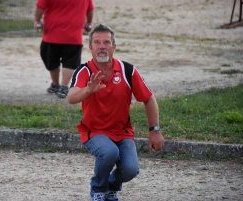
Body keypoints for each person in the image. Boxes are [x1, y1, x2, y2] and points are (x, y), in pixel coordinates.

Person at [67, 24, 165, 201]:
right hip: (93, 131)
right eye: (97, 42)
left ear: (114, 47)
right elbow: (71, 97)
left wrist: (154, 131)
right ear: (90, 48)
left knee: (131, 169)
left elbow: (149, 99)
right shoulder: (85, 70)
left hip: (123, 133)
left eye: (107, 42)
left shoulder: (128, 70)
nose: (102, 46)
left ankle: (110, 187)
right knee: (109, 152)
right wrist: (88, 90)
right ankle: (98, 189)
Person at [34, 0, 94, 98]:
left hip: (52, 35)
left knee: (51, 61)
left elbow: (40, 7)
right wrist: (89, 22)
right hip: (74, 36)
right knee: (70, 62)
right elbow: (90, 9)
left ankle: (55, 84)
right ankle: (64, 86)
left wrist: (37, 20)